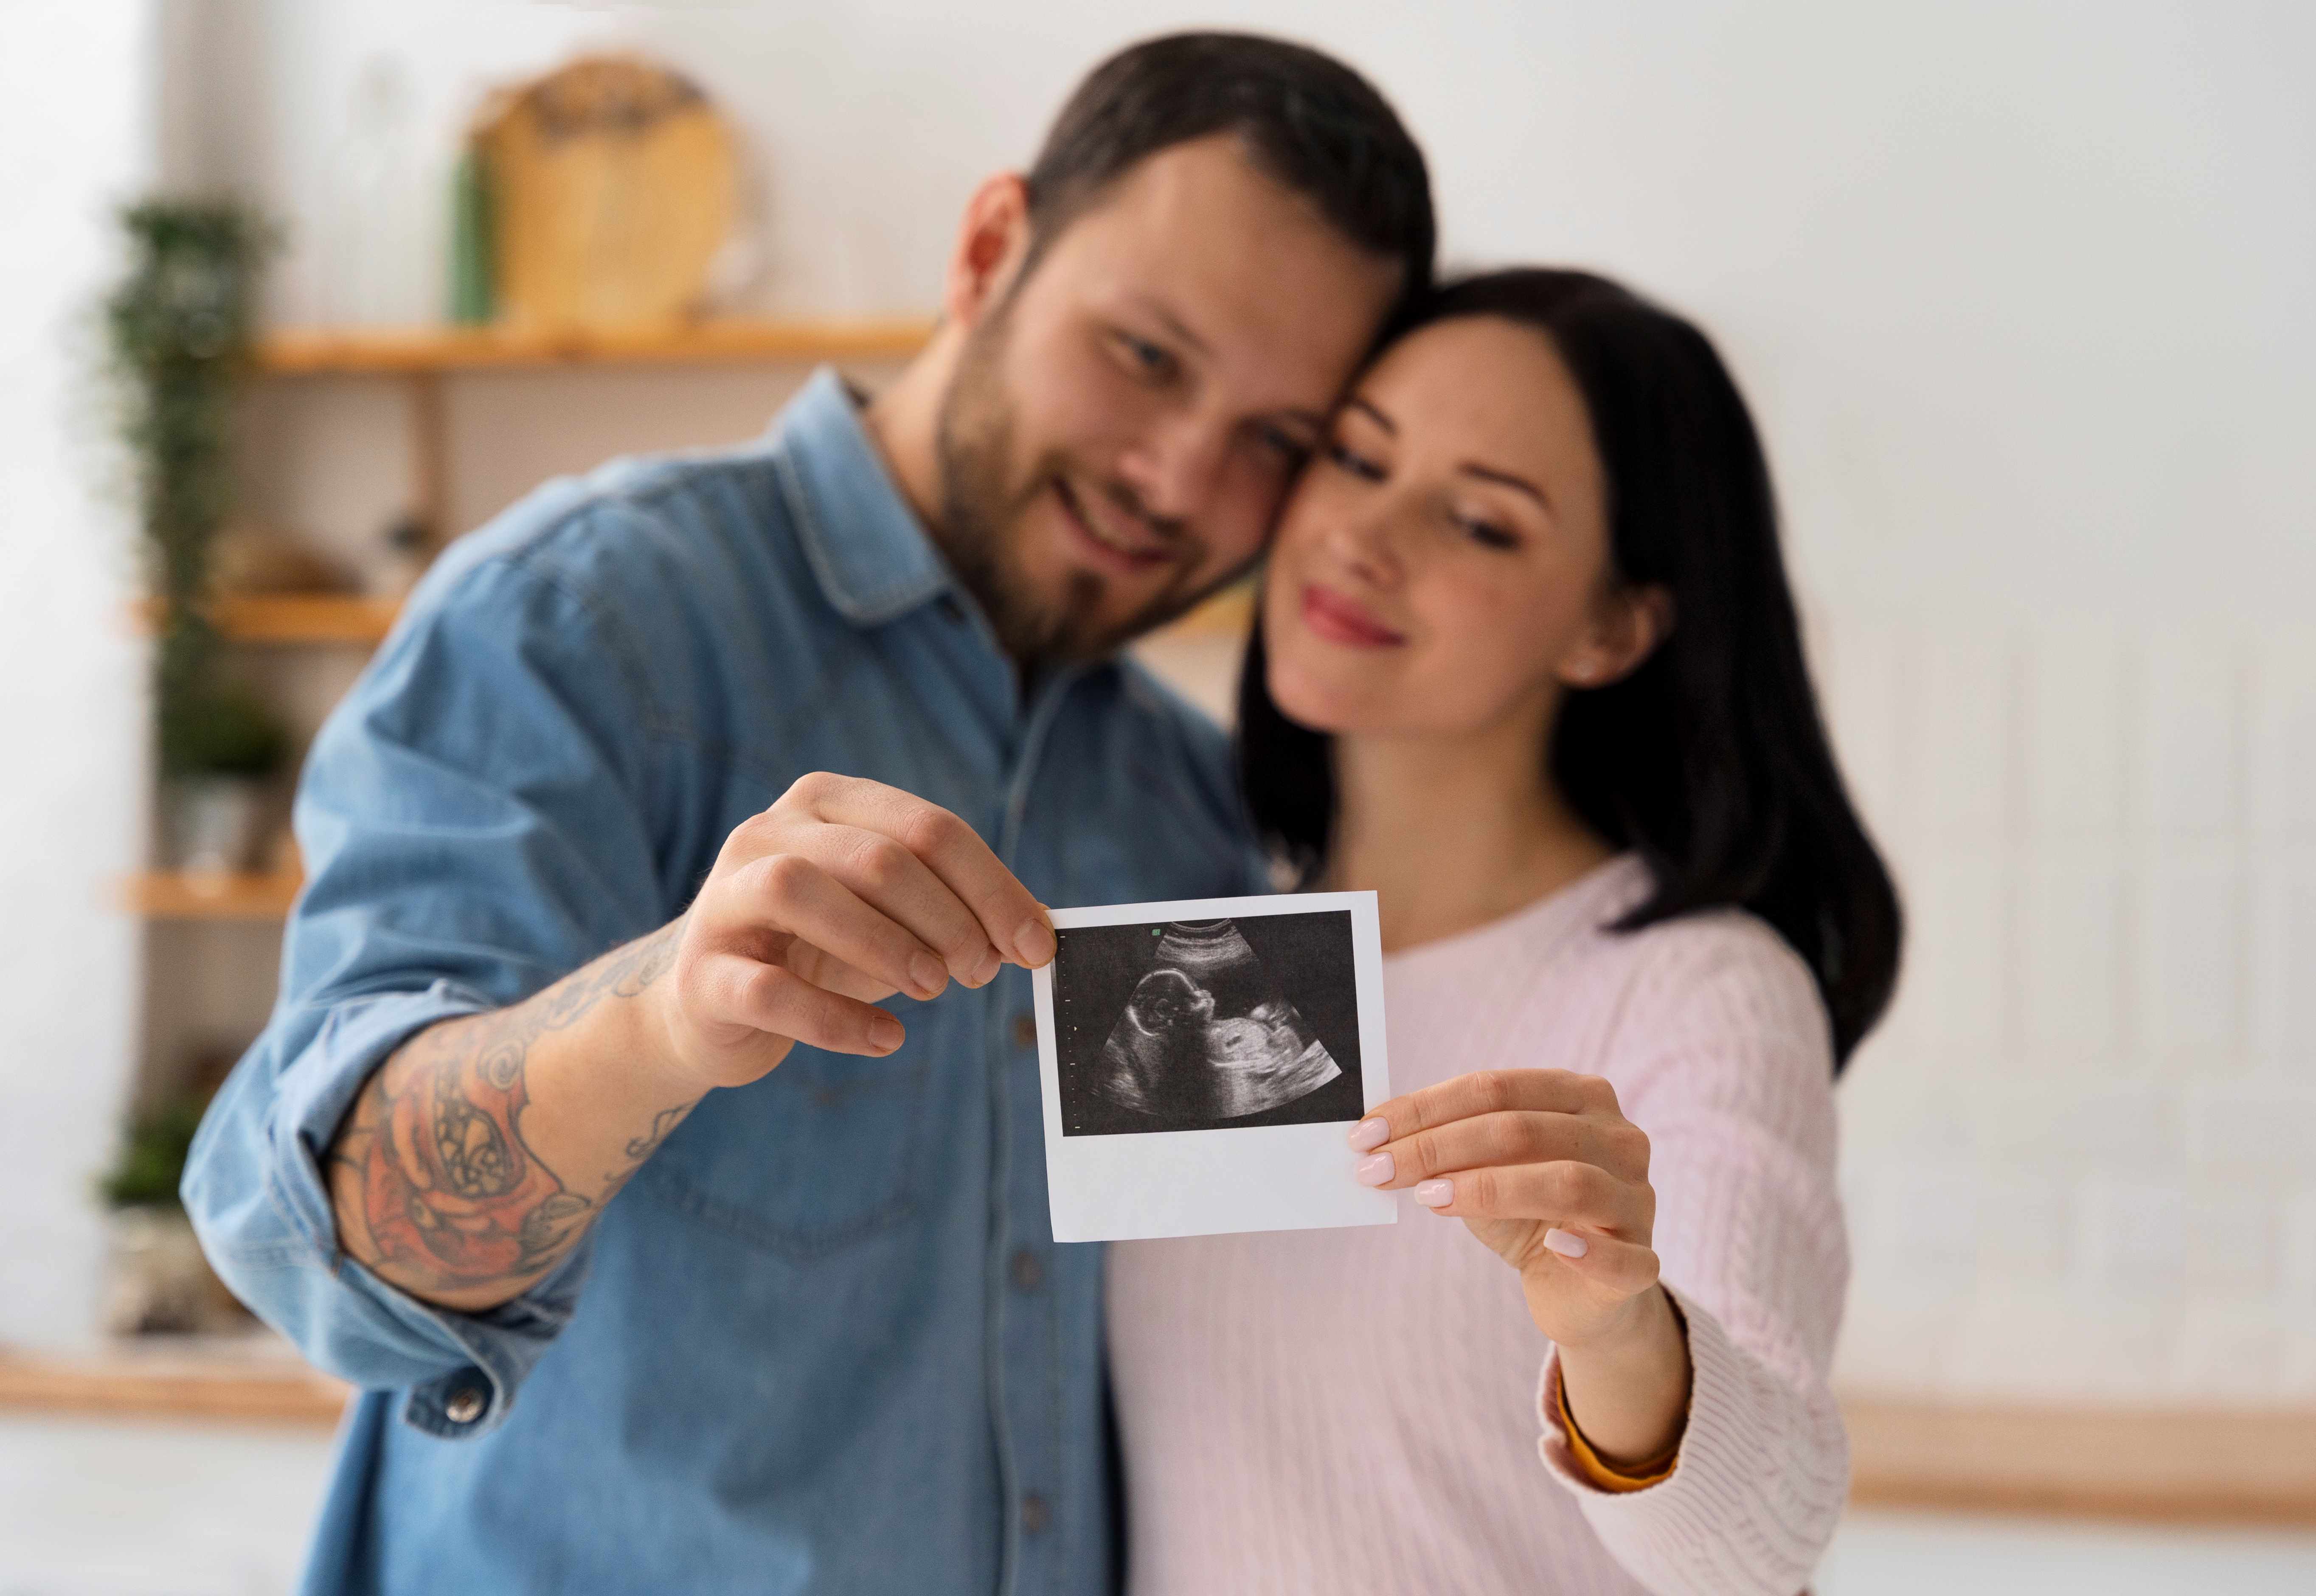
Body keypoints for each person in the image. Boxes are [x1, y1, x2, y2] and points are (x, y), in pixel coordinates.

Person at [180, 33, 1433, 1593]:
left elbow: (1254, 1368)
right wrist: (658, 1023)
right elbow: (321, 1251)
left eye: (1275, 441)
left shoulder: (1189, 802)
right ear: (991, 250)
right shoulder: (578, 620)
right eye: (1146, 355)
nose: (1179, 479)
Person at [1106, 270, 1904, 1596]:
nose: (1366, 535)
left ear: (1611, 627)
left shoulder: (1693, 990)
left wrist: (1618, 1333)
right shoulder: (1194, 952)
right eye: (1355, 458)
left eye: (1478, 522)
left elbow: (1760, 1538)